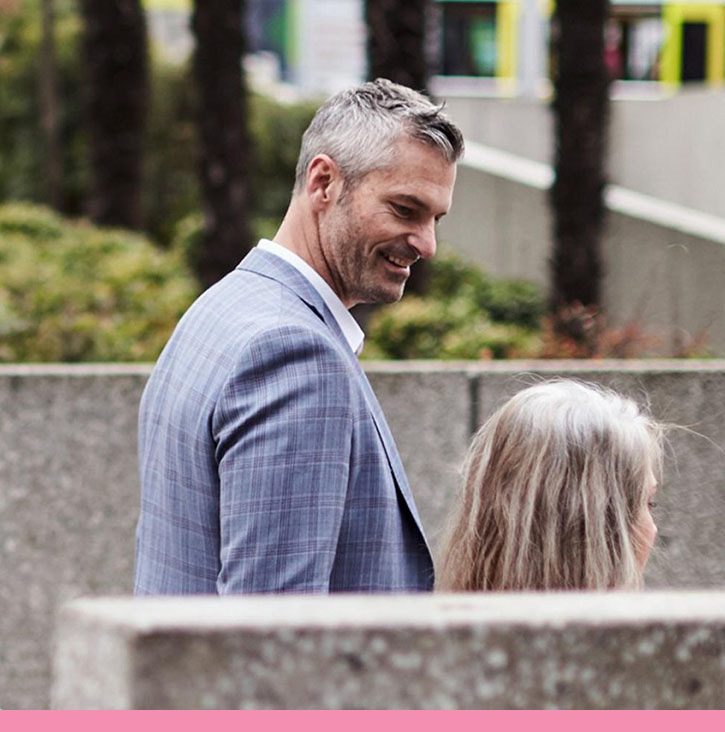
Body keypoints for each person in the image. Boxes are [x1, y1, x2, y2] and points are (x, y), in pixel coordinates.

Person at [134, 79, 464, 594]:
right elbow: (270, 638)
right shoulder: (296, 355)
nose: (428, 244)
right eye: (405, 210)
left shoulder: (219, 307)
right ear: (324, 182)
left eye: (435, 218)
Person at [437, 380, 666, 592]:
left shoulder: (448, 628)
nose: (653, 529)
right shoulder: (649, 634)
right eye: (647, 503)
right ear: (594, 530)